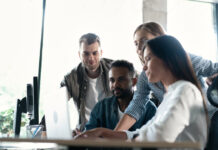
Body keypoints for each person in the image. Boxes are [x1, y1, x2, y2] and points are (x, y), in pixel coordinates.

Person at [76, 35, 208, 149]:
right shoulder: (170, 97)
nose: (144, 67)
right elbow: (143, 132)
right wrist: (102, 133)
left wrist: (103, 140)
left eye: (149, 59)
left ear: (167, 58)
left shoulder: (186, 91)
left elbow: (158, 137)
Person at [114, 22, 218, 131]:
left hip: (211, 120)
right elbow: (136, 106)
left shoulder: (187, 60)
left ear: (161, 39)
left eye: (144, 41)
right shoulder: (146, 76)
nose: (139, 48)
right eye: (136, 43)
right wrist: (115, 134)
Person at [61, 33, 113, 131]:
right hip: (86, 133)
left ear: (101, 53)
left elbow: (140, 79)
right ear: (79, 55)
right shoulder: (71, 77)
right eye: (86, 53)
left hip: (111, 132)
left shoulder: (114, 68)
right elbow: (58, 103)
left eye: (95, 53)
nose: (91, 58)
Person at [85, 60, 156, 131]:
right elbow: (89, 135)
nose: (115, 84)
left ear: (134, 82)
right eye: (112, 80)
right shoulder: (101, 107)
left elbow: (152, 138)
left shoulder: (149, 109)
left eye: (121, 80)